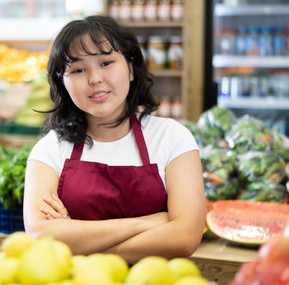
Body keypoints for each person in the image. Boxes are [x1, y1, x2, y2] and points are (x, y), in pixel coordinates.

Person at [23, 15, 205, 264]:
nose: (94, 78)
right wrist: (150, 222)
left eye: (106, 62)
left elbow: (185, 237)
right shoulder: (50, 150)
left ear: (130, 68)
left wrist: (77, 240)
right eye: (78, 69)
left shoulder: (172, 138)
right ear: (62, 82)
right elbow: (40, 234)